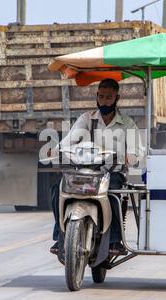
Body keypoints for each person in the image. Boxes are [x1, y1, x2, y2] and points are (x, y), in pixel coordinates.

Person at [49, 78, 143, 255]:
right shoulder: (87, 118)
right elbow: (70, 138)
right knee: (57, 187)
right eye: (101, 97)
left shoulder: (127, 123)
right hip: (86, 172)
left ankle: (115, 240)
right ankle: (59, 236)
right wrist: (57, 149)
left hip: (112, 173)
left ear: (117, 98)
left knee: (114, 191)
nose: (104, 101)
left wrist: (133, 155)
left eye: (109, 97)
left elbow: (137, 148)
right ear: (96, 97)